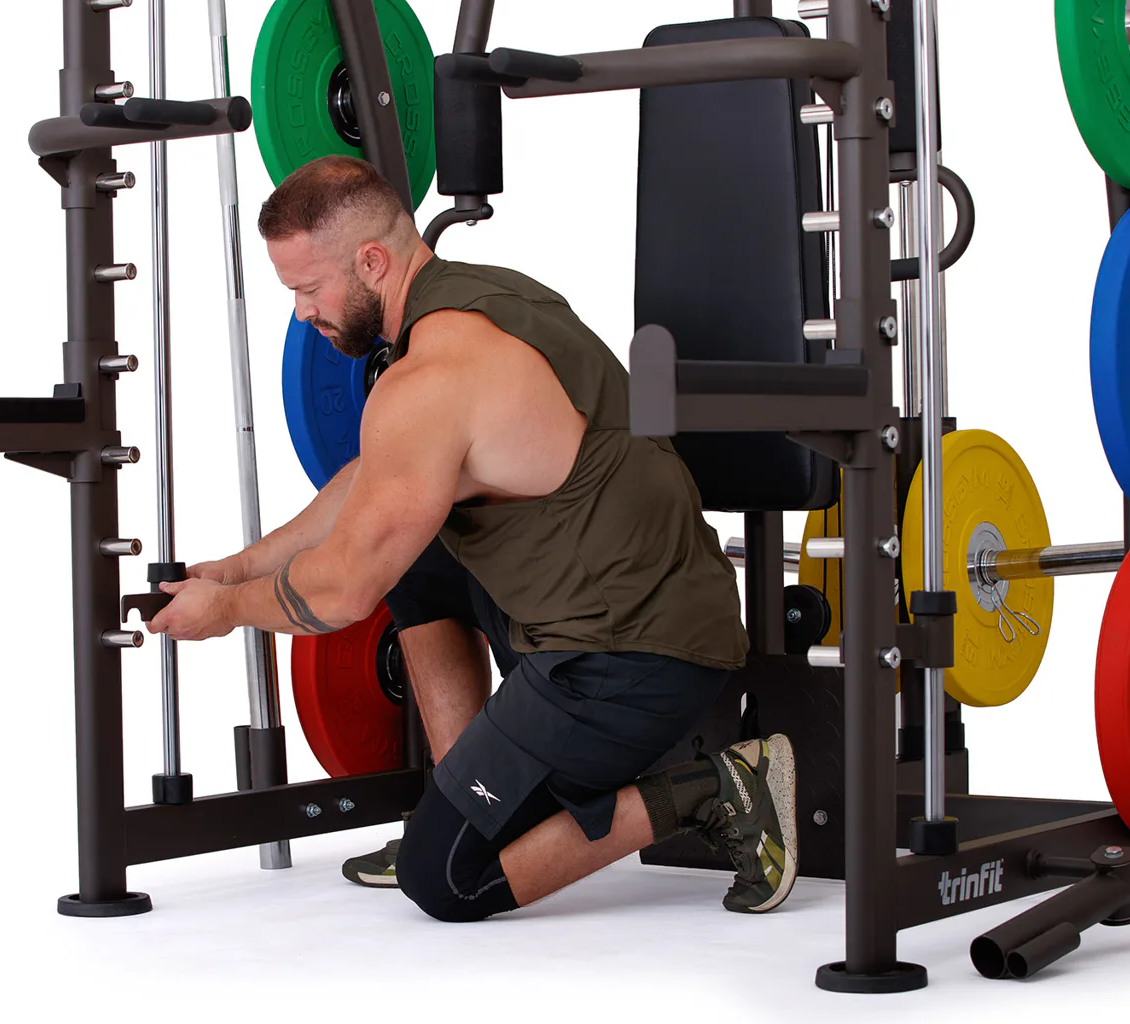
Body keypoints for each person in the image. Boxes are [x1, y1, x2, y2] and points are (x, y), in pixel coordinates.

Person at [146, 155, 797, 919]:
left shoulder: (430, 380)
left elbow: (344, 589)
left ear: (372, 262)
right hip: (632, 606)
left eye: (309, 289)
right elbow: (374, 480)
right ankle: (467, 798)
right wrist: (234, 568)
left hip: (627, 660)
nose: (301, 314)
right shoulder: (484, 300)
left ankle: (718, 789)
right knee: (411, 543)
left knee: (444, 880)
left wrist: (226, 612)